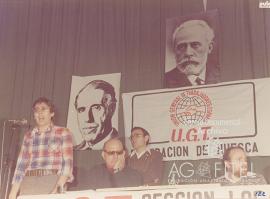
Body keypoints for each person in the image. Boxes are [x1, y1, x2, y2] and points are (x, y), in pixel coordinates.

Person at [9, 97, 73, 199]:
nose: (40, 113)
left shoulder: (63, 132)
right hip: (28, 182)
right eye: (36, 110)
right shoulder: (28, 136)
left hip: (51, 179)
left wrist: (58, 188)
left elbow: (67, 165)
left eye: (44, 109)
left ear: (52, 113)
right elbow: (20, 166)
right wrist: (12, 194)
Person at [165, 19, 220, 88]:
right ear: (174, 50)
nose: (188, 53)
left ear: (209, 47)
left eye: (195, 45)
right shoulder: (164, 82)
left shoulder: (223, 75)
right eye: (181, 47)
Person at [73, 80, 118, 150]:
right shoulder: (73, 150)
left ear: (111, 109)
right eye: (81, 110)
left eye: (96, 107)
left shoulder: (122, 146)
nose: (87, 118)